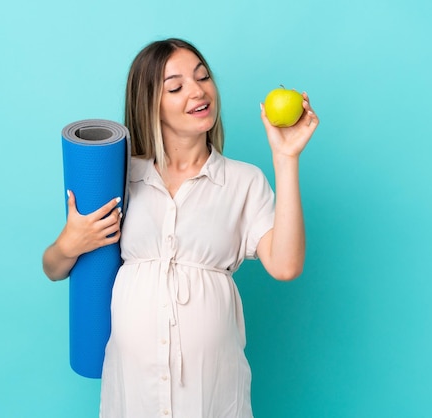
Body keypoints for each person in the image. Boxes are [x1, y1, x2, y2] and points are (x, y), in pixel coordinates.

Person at [42, 38, 319, 418]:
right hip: (133, 391)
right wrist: (70, 243)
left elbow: (285, 266)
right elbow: (53, 268)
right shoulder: (119, 177)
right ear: (150, 103)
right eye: (176, 86)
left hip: (212, 392)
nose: (198, 90)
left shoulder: (243, 181)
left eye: (203, 77)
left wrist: (286, 158)